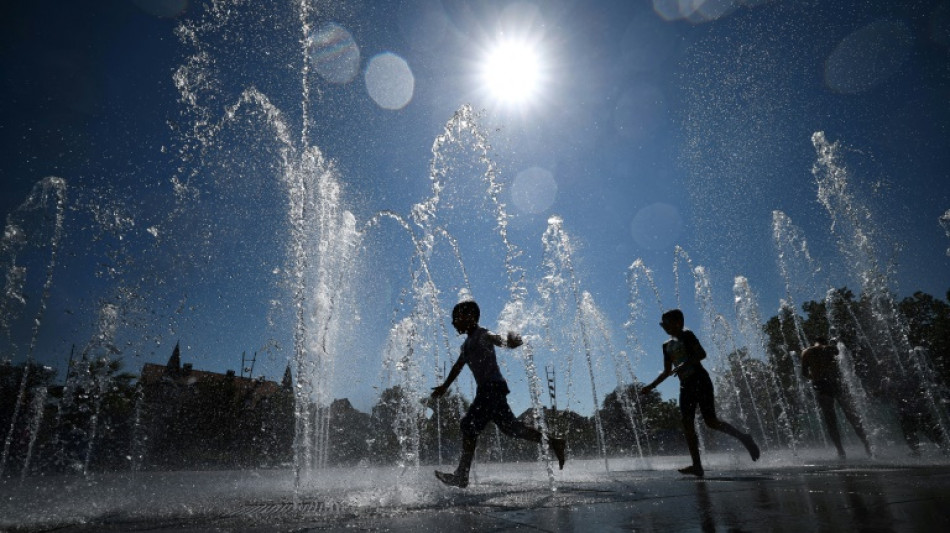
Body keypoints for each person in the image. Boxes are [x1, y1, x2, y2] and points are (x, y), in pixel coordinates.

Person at [431, 300, 566, 488]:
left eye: (456, 318)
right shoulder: (466, 345)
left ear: (469, 317)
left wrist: (511, 342)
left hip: (491, 388)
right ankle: (554, 442)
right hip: (490, 389)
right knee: (511, 428)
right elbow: (458, 366)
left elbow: (500, 340)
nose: (453, 323)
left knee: (469, 425)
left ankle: (462, 475)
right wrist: (444, 387)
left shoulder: (483, 335)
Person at [640, 309, 759, 478]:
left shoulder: (687, 336)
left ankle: (744, 438)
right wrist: (650, 387)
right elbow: (667, 371)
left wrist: (684, 364)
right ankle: (697, 465)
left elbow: (702, 354)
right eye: (662, 324)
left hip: (700, 381)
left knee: (711, 421)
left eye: (666, 323)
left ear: (678, 323)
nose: (664, 327)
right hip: (685, 386)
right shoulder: (666, 346)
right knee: (687, 423)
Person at [800, 336, 872, 458]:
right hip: (838, 384)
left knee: (830, 420)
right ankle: (868, 446)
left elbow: (804, 373)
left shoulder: (807, 351)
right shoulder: (832, 349)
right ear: (825, 341)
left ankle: (840, 451)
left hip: (821, 386)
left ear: (814, 342)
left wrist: (815, 377)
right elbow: (845, 365)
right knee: (852, 416)